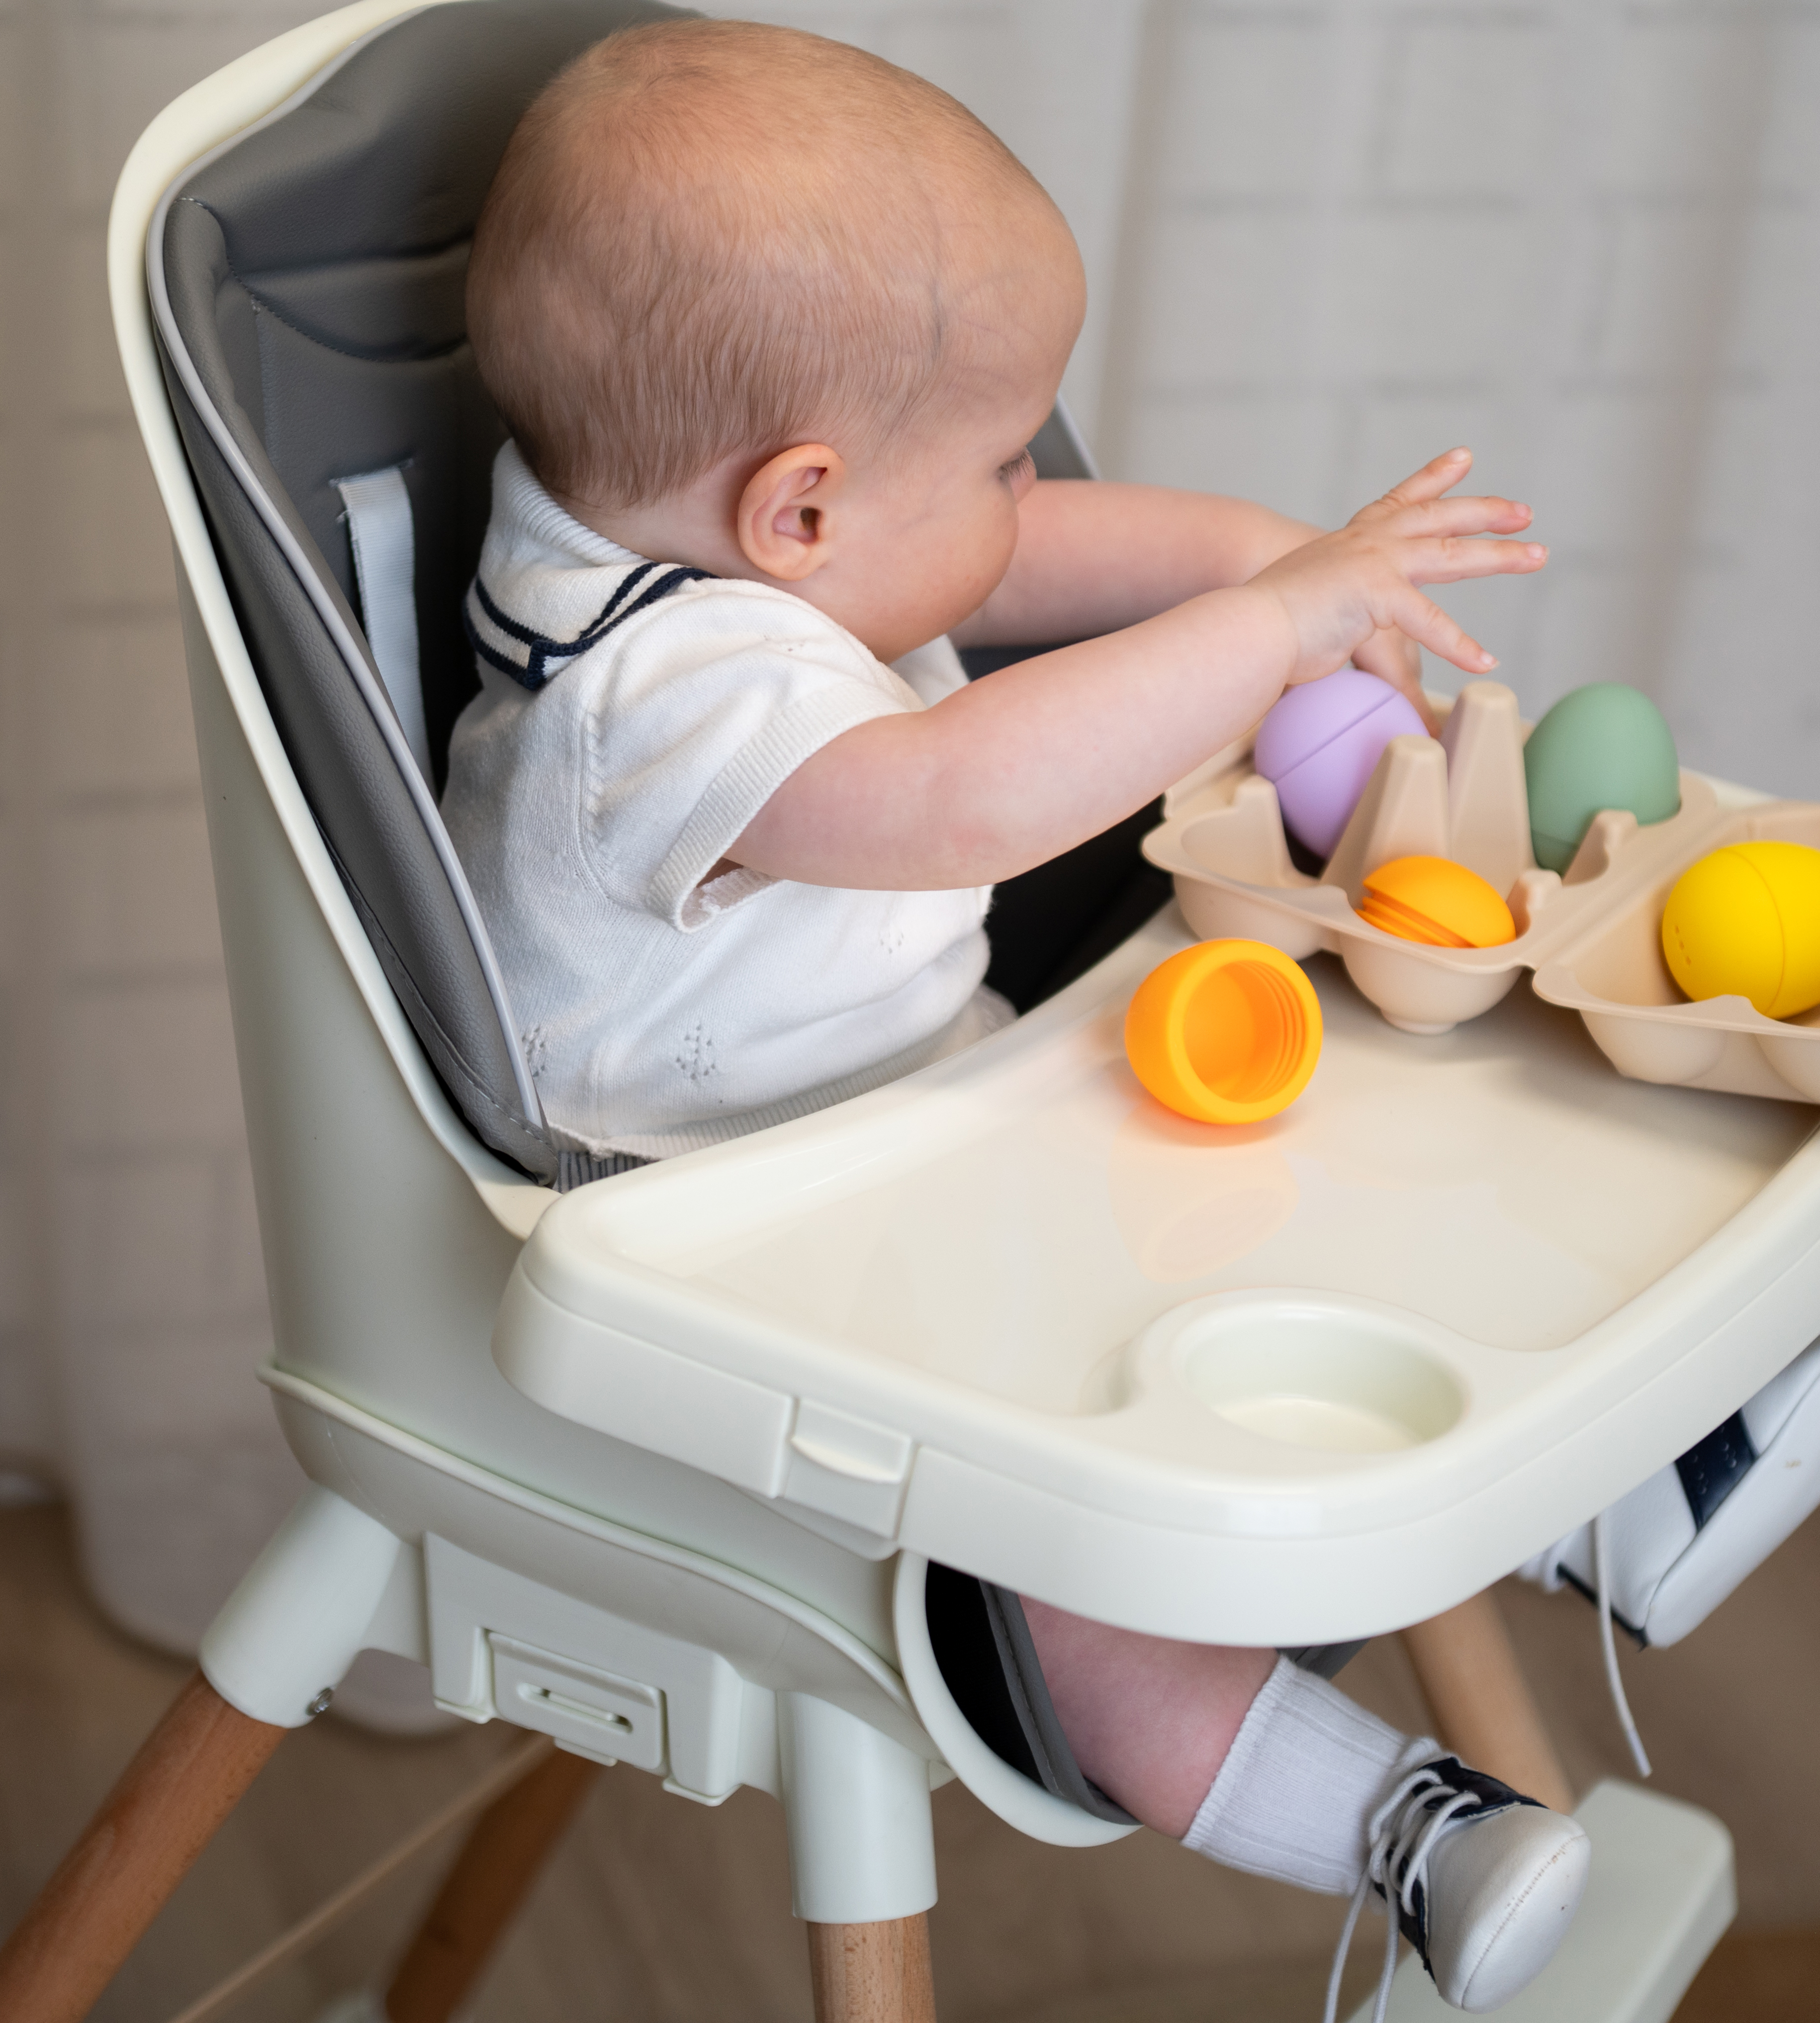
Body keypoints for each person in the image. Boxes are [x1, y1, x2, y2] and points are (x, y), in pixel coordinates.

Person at [443, 20, 1585, 2014]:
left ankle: (1582, 1483)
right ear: (800, 510)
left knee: (1319, 1198)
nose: (1022, 490)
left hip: (911, 1160)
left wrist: (1261, 560)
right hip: (729, 1291)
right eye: (994, 448)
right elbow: (966, 787)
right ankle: (1411, 1829)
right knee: (1063, 1588)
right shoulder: (645, 714)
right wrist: (1261, 637)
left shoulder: (700, 526)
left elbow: (1012, 551)